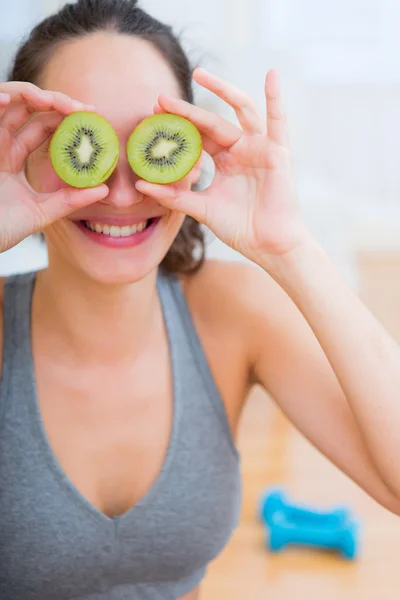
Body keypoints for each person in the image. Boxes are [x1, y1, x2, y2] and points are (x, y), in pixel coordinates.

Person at [1, 0, 400, 598]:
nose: (119, 191)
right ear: (24, 154)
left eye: (148, 146)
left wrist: (291, 250)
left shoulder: (232, 311)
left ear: (188, 154)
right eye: (83, 148)